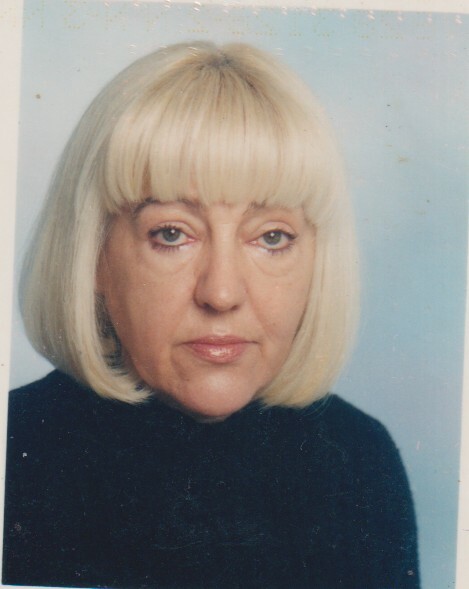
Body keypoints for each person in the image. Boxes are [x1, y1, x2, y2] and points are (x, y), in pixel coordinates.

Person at [3, 41, 419, 588]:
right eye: (172, 234)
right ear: (95, 256)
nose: (221, 293)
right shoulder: (18, 453)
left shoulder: (358, 463)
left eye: (271, 237)